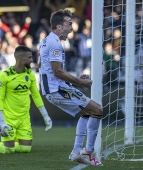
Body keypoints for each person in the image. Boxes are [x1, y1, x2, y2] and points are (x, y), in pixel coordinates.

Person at [39, 9, 103, 166]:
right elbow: (57, 71)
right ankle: (87, 152)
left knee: (88, 112)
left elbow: (51, 70)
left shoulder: (47, 40)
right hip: (57, 90)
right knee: (98, 110)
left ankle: (77, 151)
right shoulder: (55, 43)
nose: (72, 28)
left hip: (56, 88)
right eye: (69, 24)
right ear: (59, 26)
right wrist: (79, 82)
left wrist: (74, 80)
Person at [0, 45, 52, 154]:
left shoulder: (30, 74)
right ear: (21, 59)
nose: (32, 60)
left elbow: (36, 95)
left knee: (25, 149)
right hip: (9, 118)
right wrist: (1, 120)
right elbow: (0, 98)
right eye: (29, 57)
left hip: (24, 118)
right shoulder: (4, 75)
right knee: (9, 150)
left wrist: (45, 115)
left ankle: (11, 142)